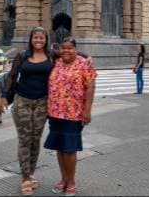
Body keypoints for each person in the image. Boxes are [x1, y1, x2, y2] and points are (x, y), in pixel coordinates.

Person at [1, 29, 91, 196]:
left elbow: (69, 51)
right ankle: (25, 178)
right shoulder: (22, 55)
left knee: (35, 139)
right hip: (23, 101)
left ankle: (31, 173)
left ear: (46, 39)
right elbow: (12, 76)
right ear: (31, 39)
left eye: (41, 38)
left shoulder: (52, 55)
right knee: (24, 140)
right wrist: (5, 96)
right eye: (35, 37)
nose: (38, 40)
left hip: (43, 103)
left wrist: (86, 57)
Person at [44, 37, 97, 197]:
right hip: (55, 113)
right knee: (60, 148)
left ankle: (72, 181)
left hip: (74, 114)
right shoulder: (56, 61)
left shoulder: (83, 64)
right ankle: (63, 179)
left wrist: (87, 111)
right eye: (63, 48)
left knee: (70, 149)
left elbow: (90, 88)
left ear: (76, 49)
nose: (66, 51)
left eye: (70, 48)